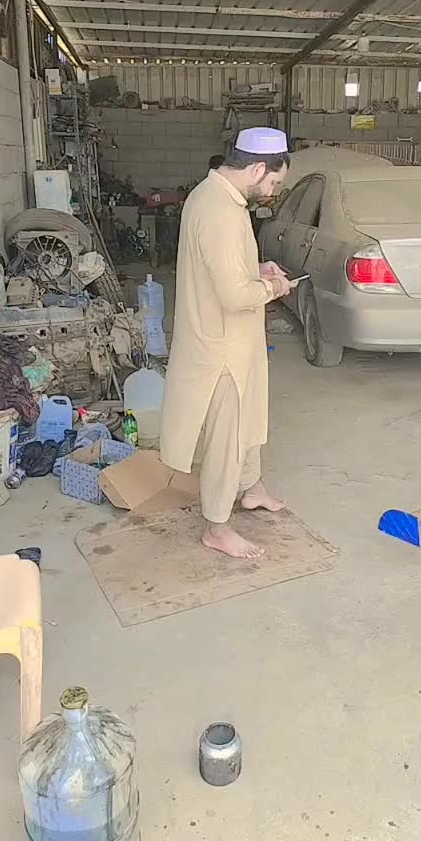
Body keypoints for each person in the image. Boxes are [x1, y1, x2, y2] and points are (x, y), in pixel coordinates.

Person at [160, 127, 296, 559]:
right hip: (221, 347)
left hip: (236, 339)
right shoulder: (219, 211)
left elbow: (225, 269)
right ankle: (217, 526)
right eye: (274, 182)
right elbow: (235, 295)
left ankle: (252, 487)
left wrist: (259, 269)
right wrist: (274, 287)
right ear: (257, 169)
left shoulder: (219, 197)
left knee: (250, 416)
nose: (272, 192)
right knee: (227, 436)